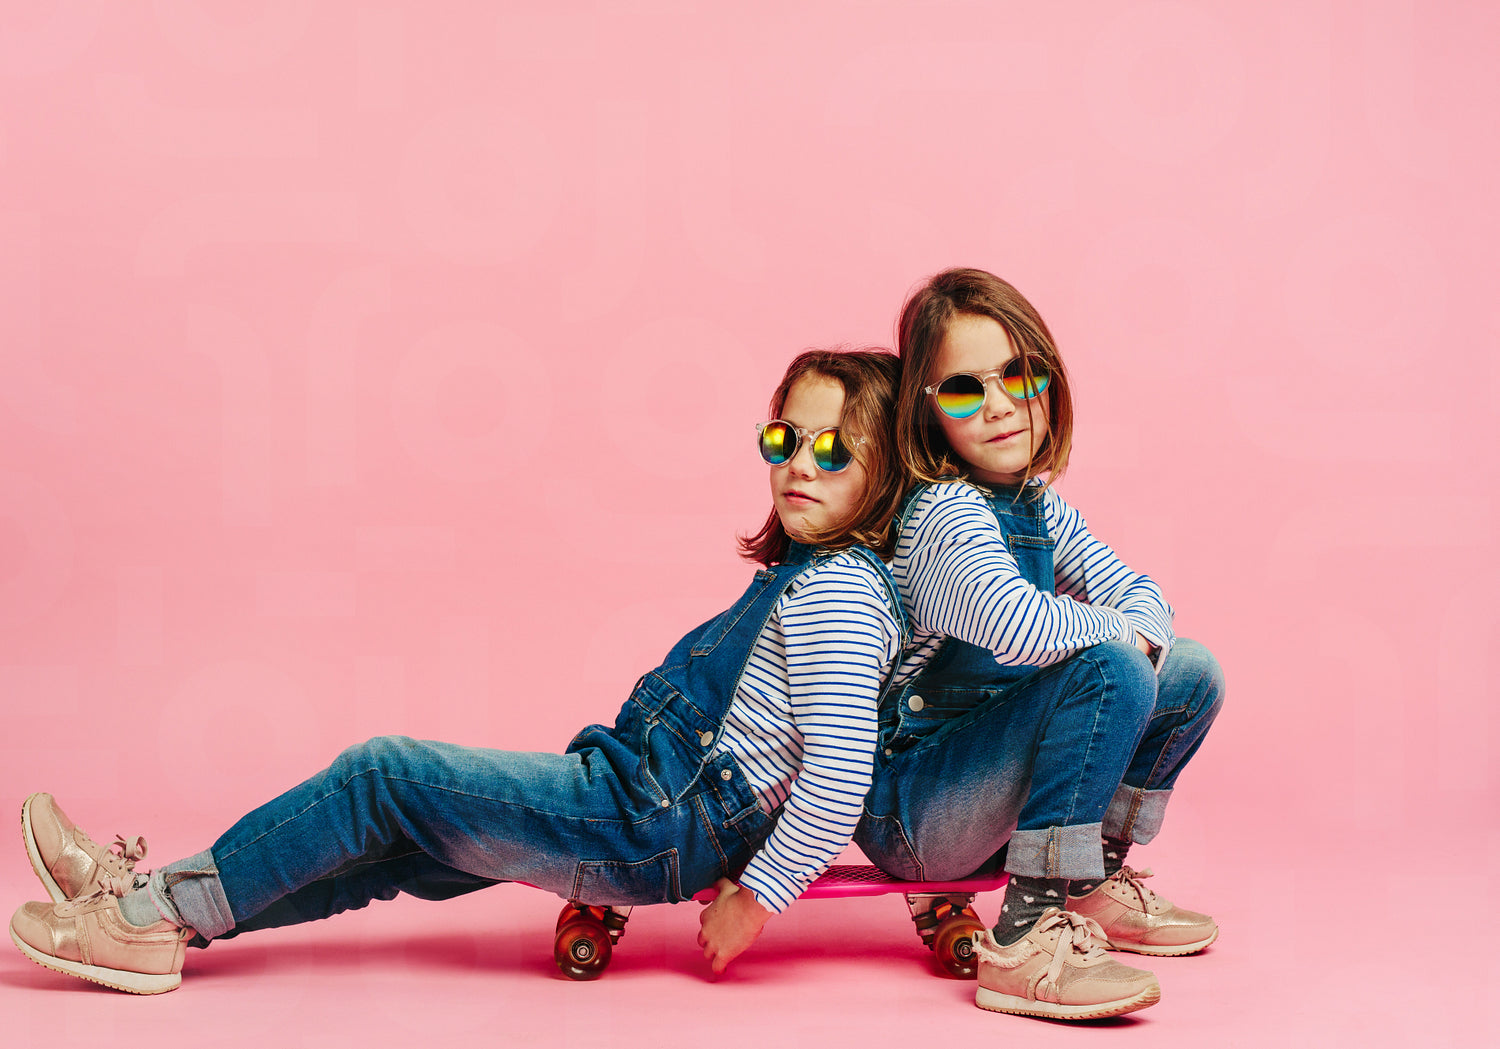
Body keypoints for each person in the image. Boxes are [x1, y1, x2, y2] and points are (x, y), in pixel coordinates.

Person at [10, 348, 909, 994]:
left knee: (382, 775)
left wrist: (756, 899)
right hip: (644, 799)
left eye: (834, 450)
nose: (800, 463)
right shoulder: (811, 571)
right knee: (385, 843)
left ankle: (147, 915)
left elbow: (839, 774)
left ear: (887, 474)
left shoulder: (838, 593)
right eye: (785, 437)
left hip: (652, 817)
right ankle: (152, 908)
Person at [853, 269, 1224, 1021]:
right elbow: (1015, 625)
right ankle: (1025, 934)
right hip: (916, 807)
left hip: (984, 791)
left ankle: (1089, 880)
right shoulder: (944, 512)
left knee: (1190, 672)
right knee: (1114, 667)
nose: (999, 405)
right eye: (964, 389)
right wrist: (1123, 635)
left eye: (1020, 375)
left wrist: (1135, 632)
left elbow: (1145, 598)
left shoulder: (1039, 505)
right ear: (926, 411)